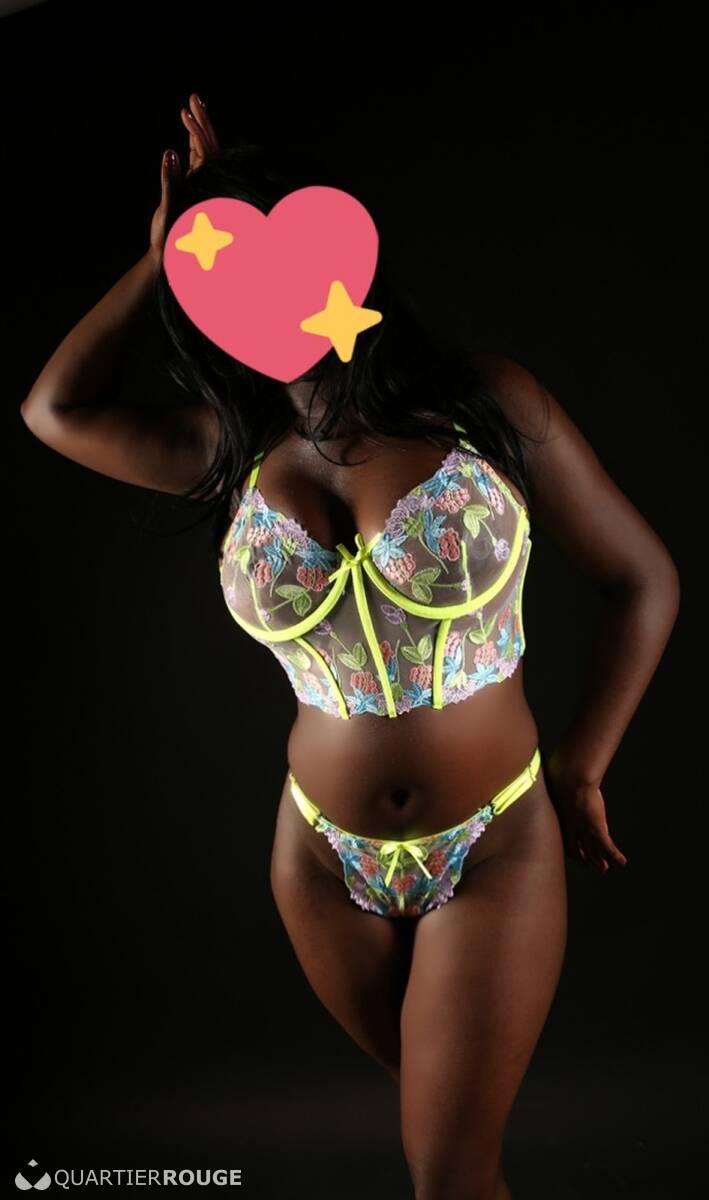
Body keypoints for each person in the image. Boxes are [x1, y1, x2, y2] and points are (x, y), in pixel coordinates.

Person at [20, 93, 680, 1200]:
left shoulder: (486, 409)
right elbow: (54, 411)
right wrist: (157, 252)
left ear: (338, 256)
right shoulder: (230, 454)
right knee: (450, 1158)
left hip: (494, 843)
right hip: (319, 860)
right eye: (214, 277)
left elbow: (641, 579)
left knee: (448, 1171)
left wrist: (581, 768)